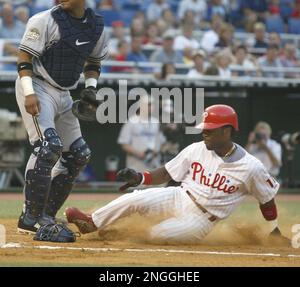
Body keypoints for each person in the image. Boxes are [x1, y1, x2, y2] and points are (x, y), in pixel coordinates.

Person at [65, 104, 288, 244]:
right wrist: (140, 178)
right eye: (204, 128)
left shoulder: (252, 166)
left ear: (227, 130)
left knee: (157, 235)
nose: (204, 132)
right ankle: (91, 222)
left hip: (202, 218)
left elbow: (266, 199)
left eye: (209, 129)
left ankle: (122, 234)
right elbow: (167, 171)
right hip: (179, 196)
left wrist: (273, 230)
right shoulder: (197, 148)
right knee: (135, 198)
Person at [15, 0, 108, 236]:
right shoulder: (44, 20)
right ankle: (29, 218)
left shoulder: (96, 26)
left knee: (80, 155)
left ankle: (46, 214)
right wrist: (28, 91)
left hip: (65, 92)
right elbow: (23, 58)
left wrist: (91, 90)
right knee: (48, 147)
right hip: (37, 85)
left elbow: (93, 62)